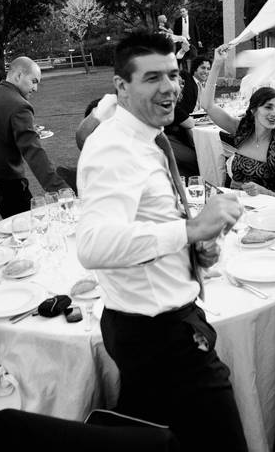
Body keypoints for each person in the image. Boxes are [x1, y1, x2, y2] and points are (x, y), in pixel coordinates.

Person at [76, 30, 247, 452]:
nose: (170, 87)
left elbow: (148, 219)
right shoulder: (114, 148)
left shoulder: (146, 138)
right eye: (152, 78)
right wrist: (188, 230)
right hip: (159, 336)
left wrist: (195, 249)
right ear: (121, 86)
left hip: (151, 328)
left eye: (172, 74)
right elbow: (93, 245)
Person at [0, 57, 68, 217]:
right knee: (29, 231)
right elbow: (33, 152)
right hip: (7, 184)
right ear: (18, 76)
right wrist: (60, 189)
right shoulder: (19, 105)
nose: (35, 88)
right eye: (34, 81)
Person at [200, 45, 275, 199]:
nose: (274, 113)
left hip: (266, 213)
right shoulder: (242, 129)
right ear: (253, 110)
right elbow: (208, 106)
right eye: (268, 107)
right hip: (234, 206)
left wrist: (262, 191)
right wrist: (217, 64)